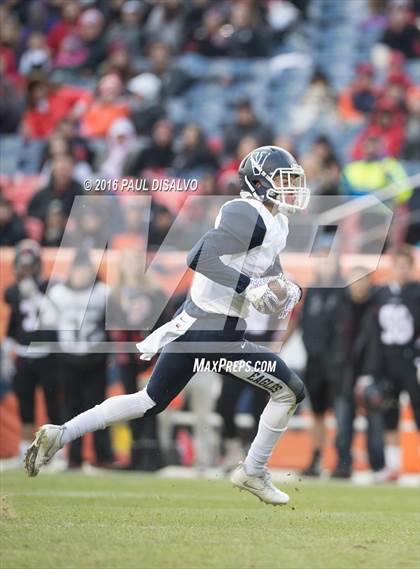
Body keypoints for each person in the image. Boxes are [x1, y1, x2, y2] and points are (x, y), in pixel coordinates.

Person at [24, 145, 310, 507]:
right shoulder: (246, 213)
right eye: (283, 180)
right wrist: (249, 286)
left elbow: (265, 268)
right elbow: (200, 256)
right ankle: (253, 470)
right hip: (214, 334)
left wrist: (286, 287)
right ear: (258, 181)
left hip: (196, 326)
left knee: (149, 401)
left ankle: (62, 433)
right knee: (290, 390)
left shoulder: (274, 221)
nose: (291, 188)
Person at [41, 249, 115, 469]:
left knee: (100, 410)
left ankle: (103, 457)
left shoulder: (103, 292)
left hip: (95, 359)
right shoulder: (58, 293)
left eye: (85, 271)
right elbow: (49, 328)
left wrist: (106, 353)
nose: (81, 275)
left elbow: (111, 327)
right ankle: (73, 458)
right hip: (67, 359)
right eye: (78, 270)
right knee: (70, 408)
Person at [361, 245, 420, 481]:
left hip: (411, 358)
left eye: (406, 266)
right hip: (387, 360)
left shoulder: (416, 291)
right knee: (389, 412)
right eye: (399, 266)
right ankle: (393, 466)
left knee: (418, 410)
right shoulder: (381, 292)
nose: (402, 270)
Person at [3, 240, 61, 458]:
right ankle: (25, 452)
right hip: (23, 354)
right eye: (23, 265)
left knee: (52, 403)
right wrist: (6, 354)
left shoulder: (51, 287)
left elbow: (53, 315)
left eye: (30, 265)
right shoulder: (12, 292)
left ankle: (55, 453)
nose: (26, 270)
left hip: (48, 353)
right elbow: (14, 324)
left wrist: (35, 295)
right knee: (25, 405)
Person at [331, 267, 385, 478]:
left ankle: (378, 467)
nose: (360, 285)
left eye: (363, 280)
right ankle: (343, 465)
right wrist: (333, 367)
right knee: (343, 424)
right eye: (356, 280)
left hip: (372, 374)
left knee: (375, 423)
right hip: (344, 374)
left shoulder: (378, 306)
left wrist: (373, 372)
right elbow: (329, 340)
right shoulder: (339, 306)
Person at [300, 244, 345, 476]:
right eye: (321, 260)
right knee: (317, 413)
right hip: (314, 361)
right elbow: (303, 323)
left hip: (337, 364)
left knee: (340, 412)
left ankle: (340, 459)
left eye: (328, 260)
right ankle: (316, 458)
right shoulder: (313, 290)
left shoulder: (343, 291)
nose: (324, 265)